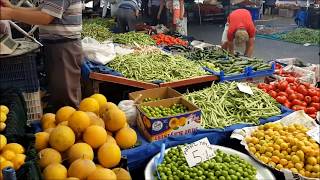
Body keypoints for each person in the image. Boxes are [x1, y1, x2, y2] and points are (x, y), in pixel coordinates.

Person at [0, 0, 83, 110]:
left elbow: (45, 17)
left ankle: (74, 124)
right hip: (55, 46)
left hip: (63, 47)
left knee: (65, 98)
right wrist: (12, 8)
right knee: (57, 93)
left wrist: (10, 13)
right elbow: (41, 9)